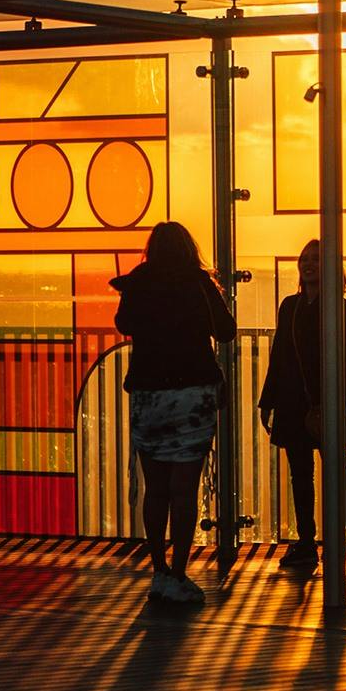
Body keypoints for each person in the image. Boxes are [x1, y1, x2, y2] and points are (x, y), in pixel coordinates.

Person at [112, 221, 237, 607]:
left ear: (152, 249)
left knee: (156, 489)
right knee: (184, 489)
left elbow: (123, 324)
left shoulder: (139, 282)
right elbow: (226, 330)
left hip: (149, 396)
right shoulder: (198, 283)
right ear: (188, 248)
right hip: (192, 396)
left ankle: (159, 570)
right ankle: (179, 574)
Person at [257, 239, 346, 574]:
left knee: (332, 474)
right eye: (305, 259)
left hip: (316, 402)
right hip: (301, 402)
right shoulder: (298, 306)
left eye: (315, 259)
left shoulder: (334, 308)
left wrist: (336, 398)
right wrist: (268, 400)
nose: (308, 264)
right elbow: (280, 355)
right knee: (308, 474)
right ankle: (320, 543)